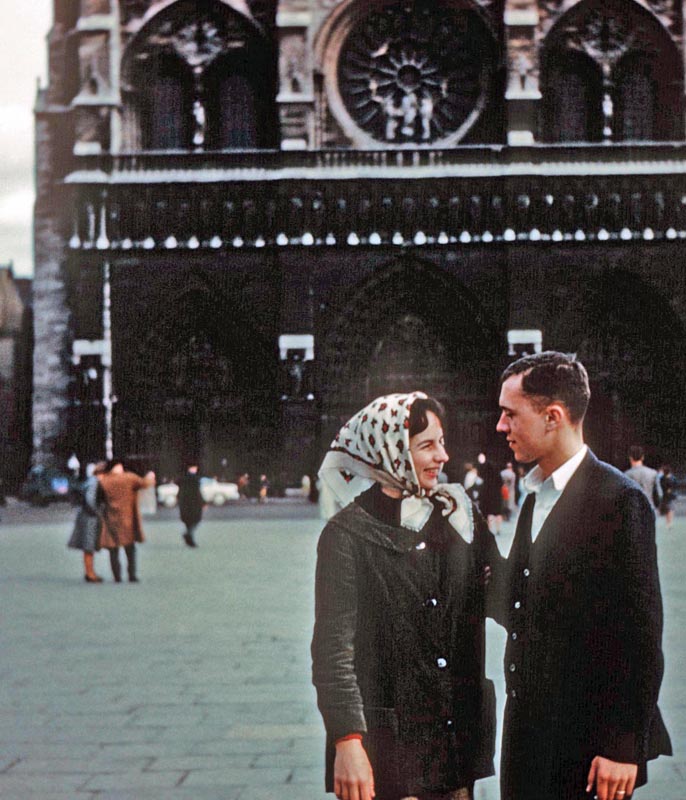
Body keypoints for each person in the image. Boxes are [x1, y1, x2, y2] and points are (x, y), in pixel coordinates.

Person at [496, 351, 671, 800]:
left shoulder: (620, 500)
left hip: (589, 751)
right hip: (528, 741)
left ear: (553, 417)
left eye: (510, 414)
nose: (501, 426)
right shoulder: (535, 497)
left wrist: (623, 746)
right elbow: (519, 599)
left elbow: (641, 633)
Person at [312, 392, 500, 800]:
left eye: (443, 442)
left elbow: (505, 595)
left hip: (453, 751)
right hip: (389, 754)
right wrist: (347, 741)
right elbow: (332, 651)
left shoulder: (459, 517)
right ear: (390, 451)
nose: (443, 456)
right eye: (427, 445)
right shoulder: (346, 536)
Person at [98, 461, 155, 583]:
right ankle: (132, 575)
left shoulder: (104, 481)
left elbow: (99, 499)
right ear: (118, 466)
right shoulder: (129, 478)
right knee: (130, 549)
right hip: (128, 519)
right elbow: (145, 483)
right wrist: (150, 476)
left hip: (111, 519)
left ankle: (117, 576)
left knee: (113, 550)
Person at [67, 461, 106, 582]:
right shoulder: (94, 483)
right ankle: (90, 573)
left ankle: (90, 572)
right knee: (89, 545)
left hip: (86, 515)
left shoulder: (90, 481)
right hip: (89, 517)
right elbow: (90, 500)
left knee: (88, 545)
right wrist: (98, 513)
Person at [624, 445, 661, 512]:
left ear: (630, 458)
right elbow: (659, 493)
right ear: (642, 457)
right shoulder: (653, 473)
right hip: (650, 509)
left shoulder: (626, 475)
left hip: (634, 511)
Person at [476, 452, 503, 534]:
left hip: (488, 496)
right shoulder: (498, 477)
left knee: (490, 513)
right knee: (498, 513)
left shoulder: (486, 479)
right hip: (498, 496)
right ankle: (498, 529)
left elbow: (482, 488)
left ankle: (490, 530)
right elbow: (501, 484)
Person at [178, 462, 204, 547]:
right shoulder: (196, 479)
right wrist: (202, 502)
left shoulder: (182, 479)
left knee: (188, 522)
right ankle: (189, 536)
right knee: (195, 519)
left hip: (184, 503)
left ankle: (189, 537)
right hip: (194, 503)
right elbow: (197, 493)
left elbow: (180, 492)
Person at [658, 464, 678, 528]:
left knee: (670, 509)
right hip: (665, 496)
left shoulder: (672, 478)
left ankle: (670, 523)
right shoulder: (662, 478)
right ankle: (668, 522)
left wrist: (671, 489)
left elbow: (675, 486)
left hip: (670, 496)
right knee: (667, 509)